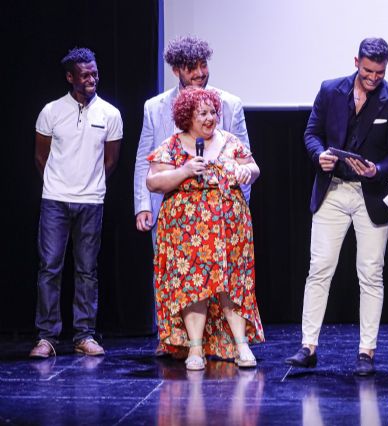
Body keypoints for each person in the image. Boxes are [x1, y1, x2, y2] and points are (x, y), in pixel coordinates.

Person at [285, 38, 388, 375]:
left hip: (371, 195)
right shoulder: (330, 90)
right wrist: (319, 155)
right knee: (320, 268)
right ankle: (308, 345)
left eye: (380, 73)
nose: (373, 78)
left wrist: (378, 170)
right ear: (357, 61)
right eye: (368, 71)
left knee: (370, 273)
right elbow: (311, 132)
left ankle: (366, 351)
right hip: (333, 190)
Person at [133, 35, 251, 353]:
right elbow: (146, 158)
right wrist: (143, 206)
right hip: (175, 208)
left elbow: (245, 157)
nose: (199, 73)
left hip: (221, 207)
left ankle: (219, 342)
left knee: (222, 278)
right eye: (191, 68)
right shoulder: (155, 107)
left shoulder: (228, 103)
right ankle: (175, 341)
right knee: (177, 275)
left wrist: (239, 205)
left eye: (203, 65)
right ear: (176, 71)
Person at [146, 87, 263, 371]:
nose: (210, 118)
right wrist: (185, 170)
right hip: (186, 229)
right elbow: (153, 182)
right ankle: (195, 348)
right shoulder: (173, 145)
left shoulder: (230, 141)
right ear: (187, 116)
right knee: (193, 284)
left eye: (213, 112)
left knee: (231, 283)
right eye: (203, 113)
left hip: (228, 226)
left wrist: (246, 171)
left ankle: (240, 344)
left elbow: (254, 168)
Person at [29, 47, 123, 358]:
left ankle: (84, 335)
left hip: (91, 201)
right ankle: (47, 337)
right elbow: (41, 158)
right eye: (85, 75)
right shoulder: (51, 111)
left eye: (94, 73)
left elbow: (110, 161)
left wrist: (89, 187)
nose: (92, 79)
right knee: (50, 268)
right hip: (55, 200)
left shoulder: (110, 114)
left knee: (87, 270)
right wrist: (59, 186)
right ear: (70, 77)